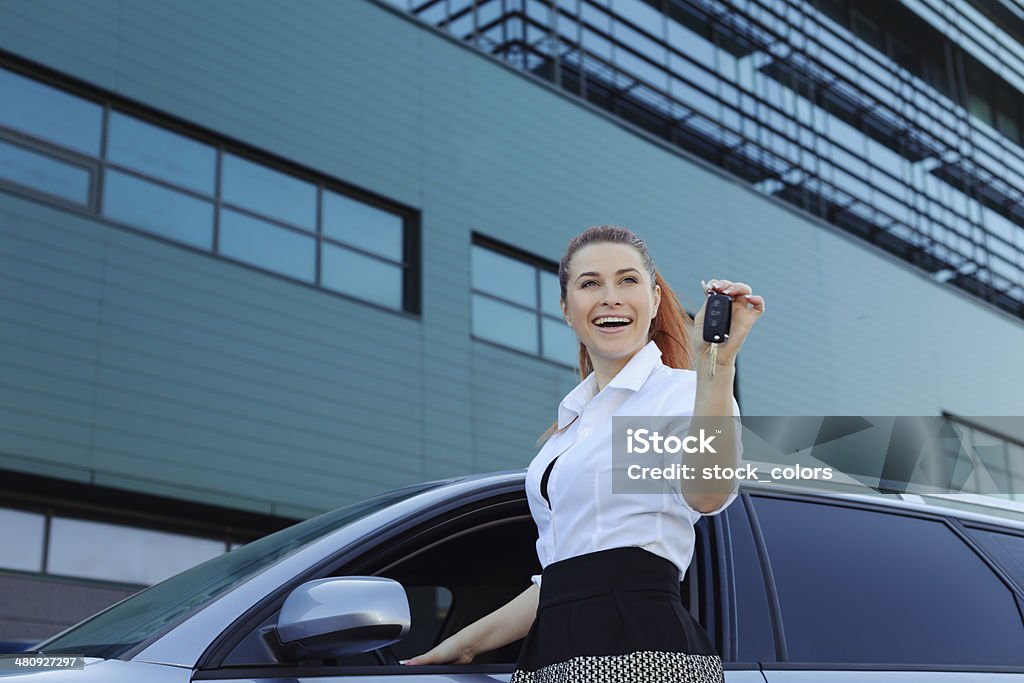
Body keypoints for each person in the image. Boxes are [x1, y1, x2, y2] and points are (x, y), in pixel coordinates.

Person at [402, 225, 765, 682]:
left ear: (654, 301)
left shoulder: (682, 396)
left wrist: (718, 368)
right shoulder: (567, 430)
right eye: (590, 283)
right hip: (551, 654)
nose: (610, 297)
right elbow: (560, 582)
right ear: (566, 309)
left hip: (639, 649)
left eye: (628, 281)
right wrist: (461, 644)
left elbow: (707, 495)